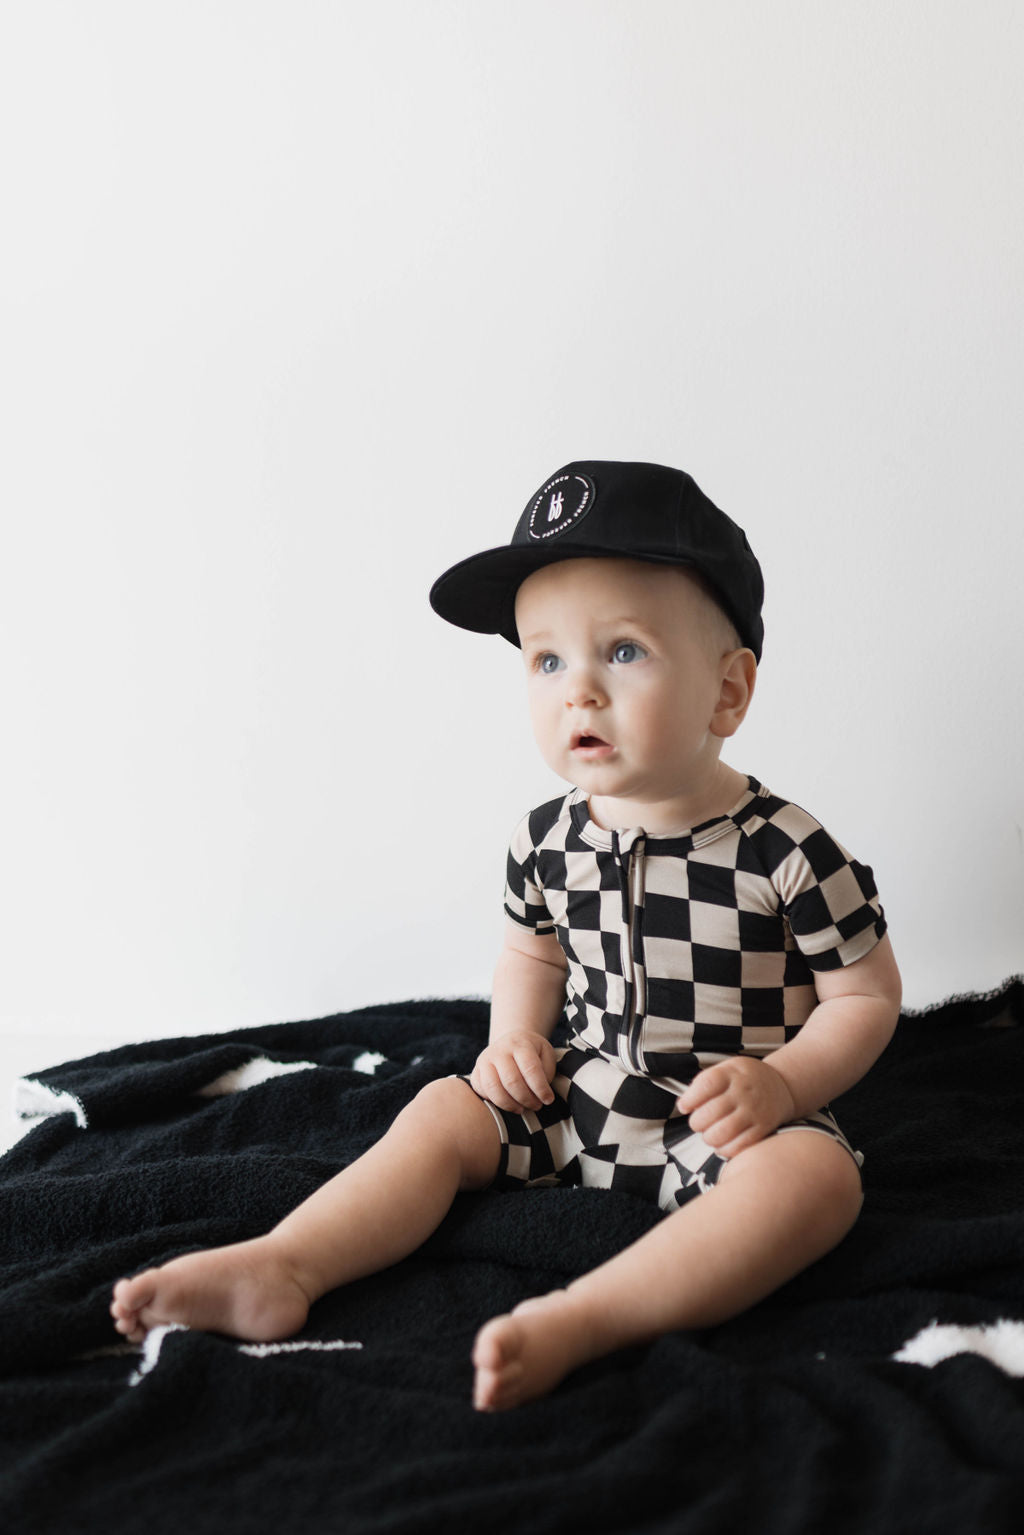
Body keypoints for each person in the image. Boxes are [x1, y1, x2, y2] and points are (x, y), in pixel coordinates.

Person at [111, 459, 902, 1412]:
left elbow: (864, 995)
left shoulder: (786, 848)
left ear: (728, 693)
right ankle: (285, 1262)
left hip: (723, 1122)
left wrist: (782, 1085)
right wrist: (511, 1043)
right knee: (445, 1109)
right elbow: (531, 952)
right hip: (579, 1099)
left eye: (624, 651)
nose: (579, 692)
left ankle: (586, 1318)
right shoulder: (547, 836)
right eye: (546, 659)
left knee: (818, 1182)